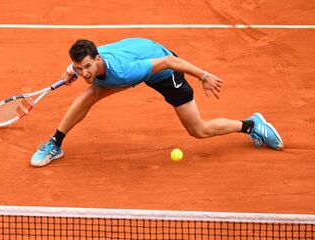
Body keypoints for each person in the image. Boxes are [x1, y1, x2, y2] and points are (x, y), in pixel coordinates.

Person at [31, 38, 283, 167]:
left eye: (87, 67)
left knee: (198, 130)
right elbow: (80, 66)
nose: (83, 73)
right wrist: (69, 70)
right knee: (88, 95)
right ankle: (56, 143)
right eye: (79, 68)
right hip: (140, 52)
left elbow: (169, 63)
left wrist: (204, 76)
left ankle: (251, 125)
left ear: (97, 60)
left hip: (163, 70)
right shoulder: (89, 62)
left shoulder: (126, 72)